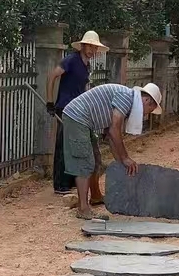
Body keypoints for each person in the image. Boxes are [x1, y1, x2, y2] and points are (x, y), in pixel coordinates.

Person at [62, 82, 163, 218]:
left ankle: (96, 196)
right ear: (147, 101)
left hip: (84, 121)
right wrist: (125, 158)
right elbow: (114, 129)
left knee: (96, 161)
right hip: (77, 117)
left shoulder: (128, 100)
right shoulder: (127, 97)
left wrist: (121, 162)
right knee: (84, 163)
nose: (146, 115)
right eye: (149, 111)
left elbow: (110, 136)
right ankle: (83, 209)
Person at [47, 31, 107, 201]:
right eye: (89, 46)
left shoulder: (86, 66)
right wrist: (50, 101)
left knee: (76, 146)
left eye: (94, 47)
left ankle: (72, 182)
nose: (92, 50)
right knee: (63, 145)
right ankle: (60, 185)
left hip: (79, 110)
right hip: (65, 108)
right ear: (82, 46)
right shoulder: (71, 60)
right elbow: (52, 76)